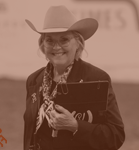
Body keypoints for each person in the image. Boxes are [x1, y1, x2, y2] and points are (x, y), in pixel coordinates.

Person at [23, 5, 125, 150]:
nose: (56, 47)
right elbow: (30, 135)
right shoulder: (34, 80)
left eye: (64, 40)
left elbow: (116, 136)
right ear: (42, 45)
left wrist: (76, 126)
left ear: (78, 43)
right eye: (49, 40)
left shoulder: (96, 78)